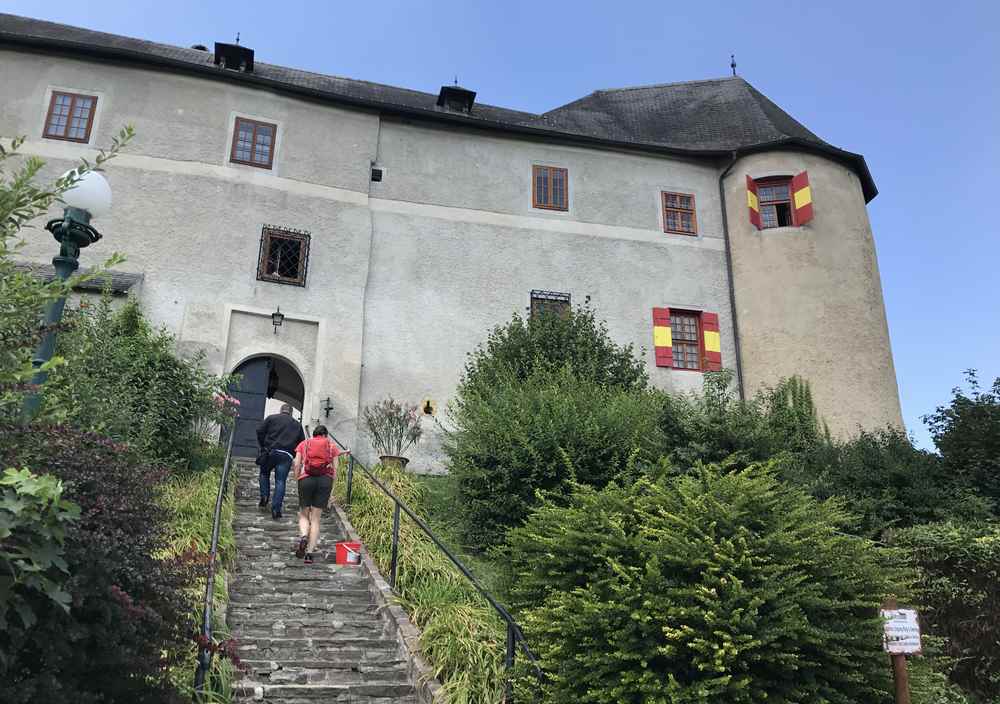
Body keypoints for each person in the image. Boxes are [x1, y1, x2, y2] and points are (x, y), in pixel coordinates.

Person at [292, 425, 347, 565]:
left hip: (306, 479)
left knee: (304, 514)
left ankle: (304, 536)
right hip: (324, 481)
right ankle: (309, 554)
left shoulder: (304, 444)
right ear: (325, 435)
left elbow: (297, 463)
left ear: (315, 434)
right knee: (316, 519)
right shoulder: (331, 446)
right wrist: (332, 491)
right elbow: (336, 471)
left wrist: (297, 478)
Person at [255, 403, 305, 520]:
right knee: (280, 481)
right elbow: (302, 443)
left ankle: (265, 496)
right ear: (291, 413)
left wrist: (263, 445)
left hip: (270, 452)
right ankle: (276, 509)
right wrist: (294, 454)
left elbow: (259, 431)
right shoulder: (297, 425)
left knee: (264, 473)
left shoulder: (272, 418)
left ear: (281, 410)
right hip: (286, 455)